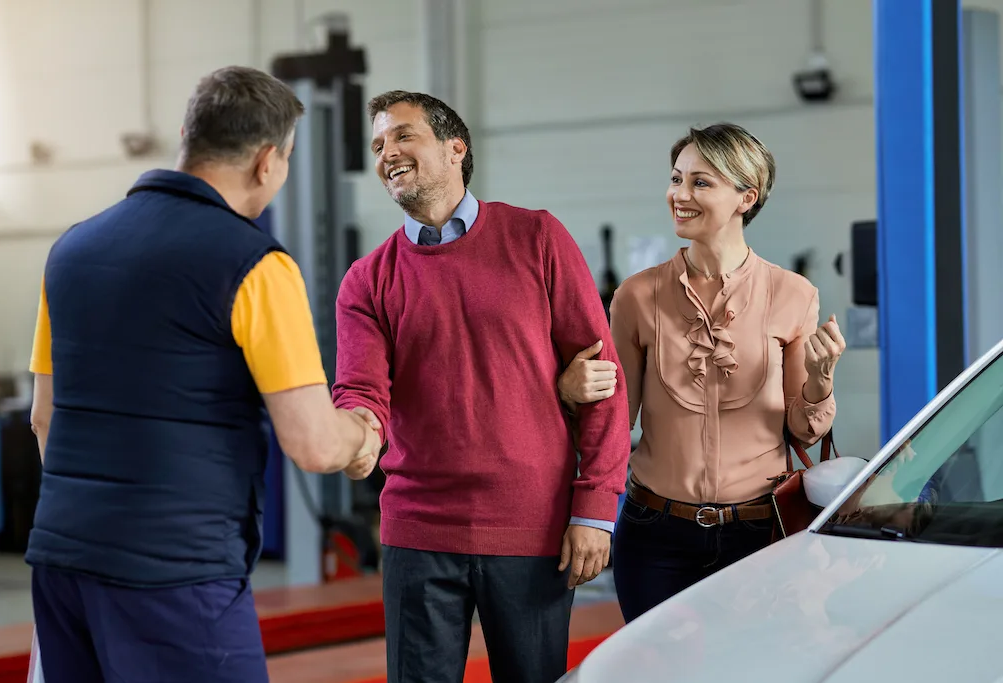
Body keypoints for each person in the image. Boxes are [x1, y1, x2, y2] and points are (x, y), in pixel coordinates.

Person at [25, 65, 381, 683]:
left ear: (189, 133)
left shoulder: (72, 250)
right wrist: (364, 434)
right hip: (177, 572)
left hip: (61, 560)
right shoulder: (255, 265)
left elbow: (43, 416)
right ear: (268, 162)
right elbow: (314, 443)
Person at [331, 90, 631, 683]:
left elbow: (603, 381)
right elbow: (361, 389)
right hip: (418, 528)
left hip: (533, 524)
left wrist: (596, 509)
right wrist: (358, 432)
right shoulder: (367, 280)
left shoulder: (537, 238)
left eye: (402, 136)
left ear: (455, 148)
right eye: (378, 144)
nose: (386, 152)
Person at [558, 122, 845, 623]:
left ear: (745, 197)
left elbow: (803, 427)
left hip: (760, 533)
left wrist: (821, 380)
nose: (679, 194)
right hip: (654, 536)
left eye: (701, 182)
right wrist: (569, 392)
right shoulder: (636, 295)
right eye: (676, 179)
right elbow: (612, 421)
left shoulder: (793, 293)